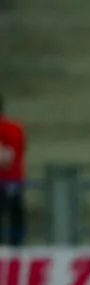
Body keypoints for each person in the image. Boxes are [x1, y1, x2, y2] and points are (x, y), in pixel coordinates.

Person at [0, 94, 27, 246]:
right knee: (16, 218)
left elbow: (6, 159)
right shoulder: (16, 128)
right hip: (15, 180)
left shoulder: (9, 128)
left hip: (5, 180)